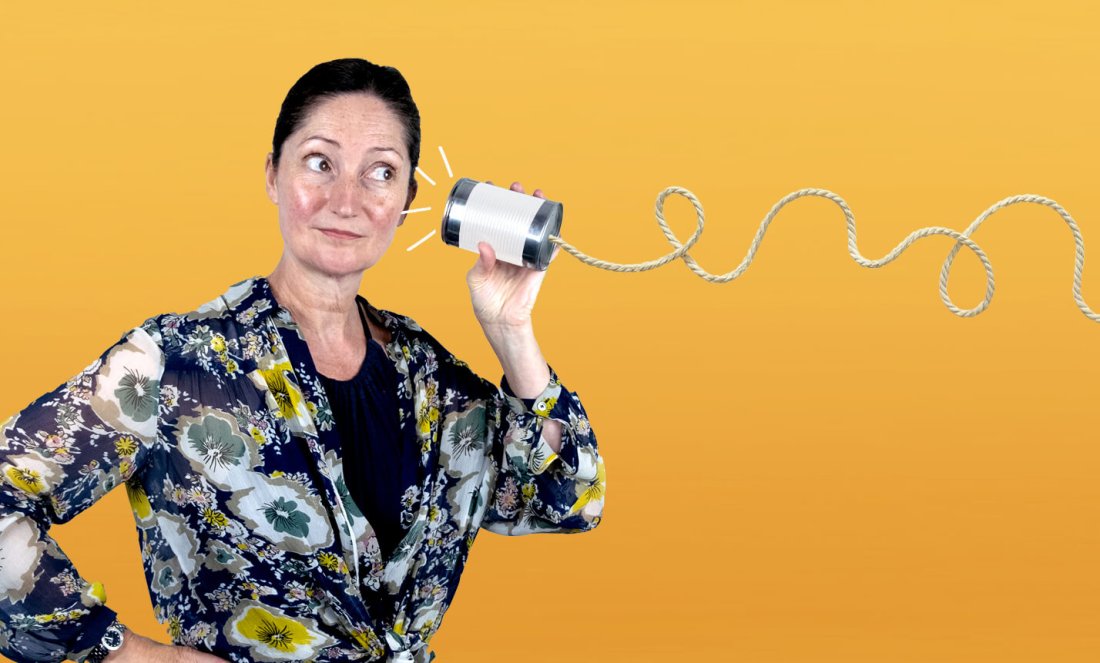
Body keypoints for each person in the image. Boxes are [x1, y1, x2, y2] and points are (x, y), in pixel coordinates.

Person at [0, 58, 605, 663]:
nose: (346, 201)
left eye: (381, 173)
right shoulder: (174, 364)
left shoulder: (433, 382)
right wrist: (128, 654)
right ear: (272, 175)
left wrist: (510, 329)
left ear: (406, 201)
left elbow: (568, 501)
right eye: (320, 163)